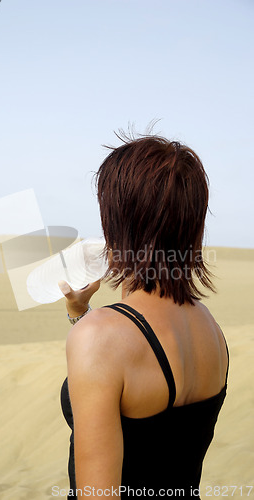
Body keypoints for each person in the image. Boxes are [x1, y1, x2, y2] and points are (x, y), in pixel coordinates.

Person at [58, 134, 229, 500]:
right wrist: (81, 315)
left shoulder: (101, 337)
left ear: (118, 221)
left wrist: (87, 324)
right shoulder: (210, 327)